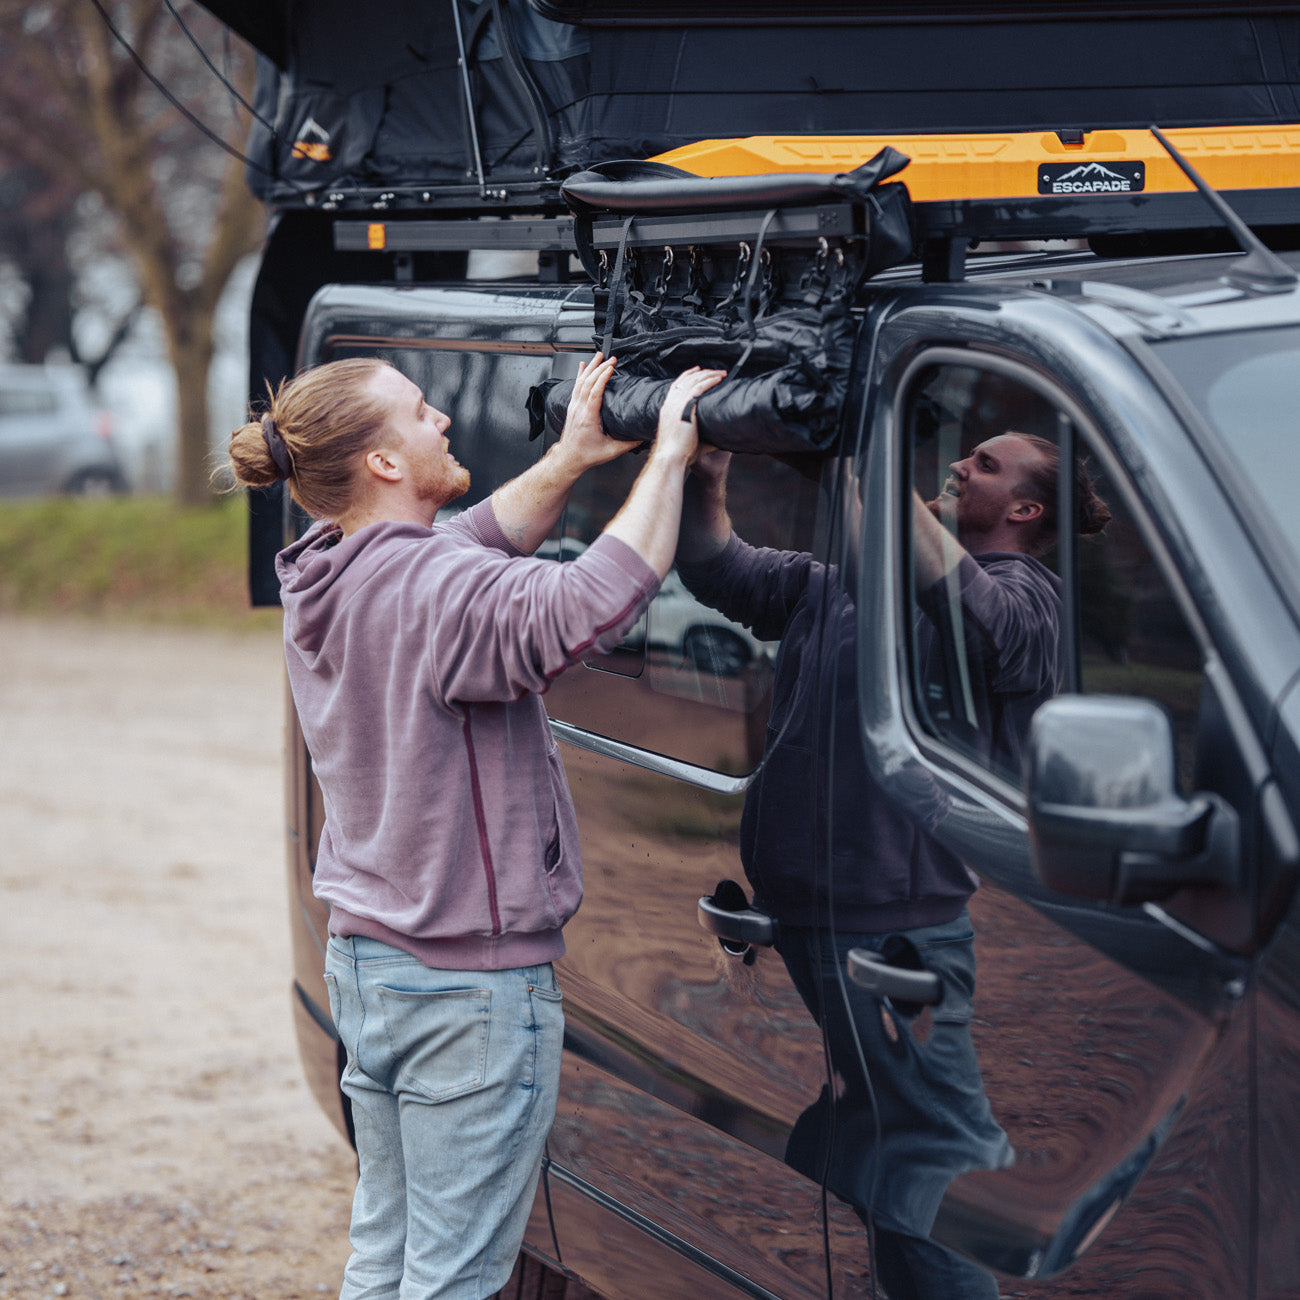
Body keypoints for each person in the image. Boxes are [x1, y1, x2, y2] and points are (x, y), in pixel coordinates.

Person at [226, 352, 724, 1300]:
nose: (444, 419)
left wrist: (576, 456)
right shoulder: (433, 592)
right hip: (467, 996)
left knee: (386, 1253)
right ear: (380, 463)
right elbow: (588, 603)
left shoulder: (329, 566)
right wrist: (667, 456)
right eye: (419, 413)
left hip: (372, 969)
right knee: (453, 1278)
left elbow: (472, 540)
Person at [675, 431, 1108, 1300]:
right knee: (885, 1149)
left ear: (1025, 511)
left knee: (937, 1159)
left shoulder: (1031, 604)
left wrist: (847, 457)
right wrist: (707, 474)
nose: (956, 466)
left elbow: (966, 612)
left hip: (897, 942)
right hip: (810, 921)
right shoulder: (836, 579)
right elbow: (714, 566)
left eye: (983, 465)